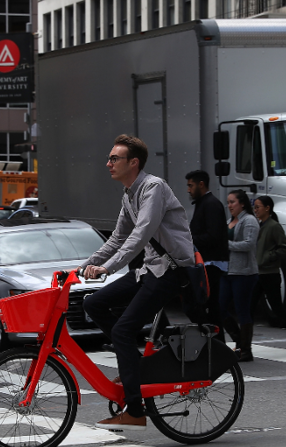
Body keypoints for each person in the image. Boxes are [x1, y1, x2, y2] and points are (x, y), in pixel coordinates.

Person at [81, 134, 195, 430]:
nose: (108, 164)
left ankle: (134, 410)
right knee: (94, 303)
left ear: (133, 162)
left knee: (121, 330)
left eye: (114, 159)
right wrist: (88, 264)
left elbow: (142, 232)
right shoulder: (129, 194)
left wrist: (108, 267)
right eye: (109, 158)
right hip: (150, 269)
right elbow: (118, 237)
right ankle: (132, 361)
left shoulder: (153, 188)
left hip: (170, 271)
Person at [252, 196, 286, 349]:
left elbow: (284, 248)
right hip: (259, 273)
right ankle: (243, 343)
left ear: (267, 208)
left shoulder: (274, 226)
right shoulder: (260, 225)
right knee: (249, 308)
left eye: (258, 207)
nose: (256, 210)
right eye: (254, 207)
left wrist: (268, 257)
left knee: (277, 308)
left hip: (270, 273)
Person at [185, 170, 228, 338]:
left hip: (211, 263)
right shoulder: (205, 203)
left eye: (191, 185)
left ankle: (216, 343)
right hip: (207, 262)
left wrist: (189, 239)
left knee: (205, 305)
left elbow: (212, 236)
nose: (188, 190)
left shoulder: (210, 204)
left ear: (201, 184)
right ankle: (216, 343)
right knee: (209, 306)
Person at [219, 189, 259, 362]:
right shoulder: (229, 221)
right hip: (227, 270)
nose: (229, 206)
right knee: (220, 308)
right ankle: (238, 340)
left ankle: (246, 349)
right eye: (228, 202)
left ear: (242, 203)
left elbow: (249, 244)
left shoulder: (249, 220)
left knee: (242, 310)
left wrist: (226, 245)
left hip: (244, 272)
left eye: (232, 202)